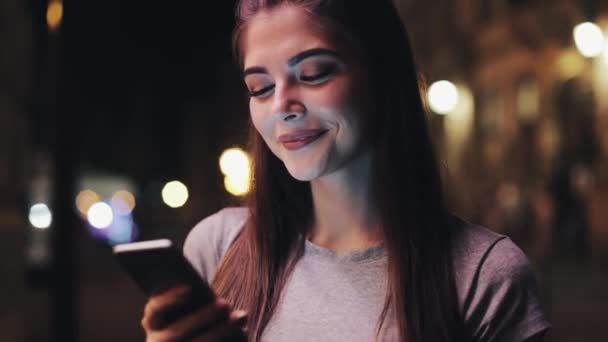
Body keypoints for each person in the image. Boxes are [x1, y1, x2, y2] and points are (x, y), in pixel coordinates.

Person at [141, 0, 551, 341]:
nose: (282, 104)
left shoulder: (484, 274)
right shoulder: (219, 248)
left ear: (382, 76)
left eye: (314, 73)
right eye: (260, 88)